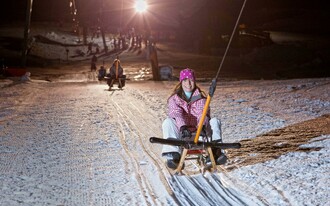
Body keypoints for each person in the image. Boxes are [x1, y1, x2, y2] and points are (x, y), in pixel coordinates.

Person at [161, 68, 227, 169]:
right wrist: (182, 127)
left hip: (200, 134)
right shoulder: (174, 99)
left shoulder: (201, 98)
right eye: (185, 80)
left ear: (194, 81)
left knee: (214, 121)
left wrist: (202, 127)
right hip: (182, 135)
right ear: (181, 82)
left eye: (191, 80)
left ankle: (215, 152)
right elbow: (176, 113)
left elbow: (202, 114)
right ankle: (174, 155)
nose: (188, 83)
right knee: (168, 122)